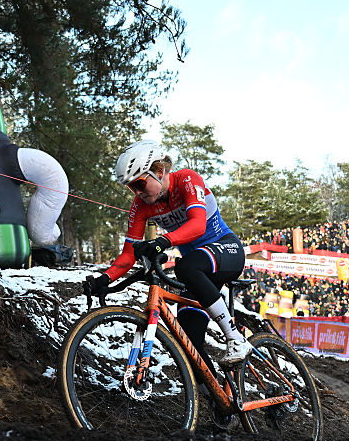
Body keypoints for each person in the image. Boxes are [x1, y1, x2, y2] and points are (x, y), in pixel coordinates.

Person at [83, 140, 252, 367]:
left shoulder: (187, 180)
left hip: (226, 249)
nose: (138, 192)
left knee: (186, 266)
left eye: (140, 183)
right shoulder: (141, 205)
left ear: (159, 171)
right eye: (132, 188)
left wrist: (162, 242)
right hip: (197, 271)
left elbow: (198, 225)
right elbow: (128, 254)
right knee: (188, 345)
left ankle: (235, 338)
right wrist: (105, 279)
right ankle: (212, 390)